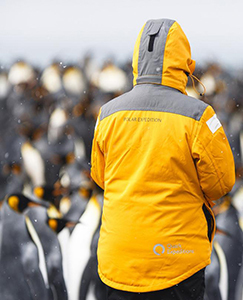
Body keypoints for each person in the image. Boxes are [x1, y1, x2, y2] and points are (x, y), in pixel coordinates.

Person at [91, 19, 235, 300]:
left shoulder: (107, 114)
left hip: (118, 260)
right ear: (185, 64)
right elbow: (222, 183)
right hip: (175, 260)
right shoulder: (198, 116)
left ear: (137, 61)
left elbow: (101, 177)